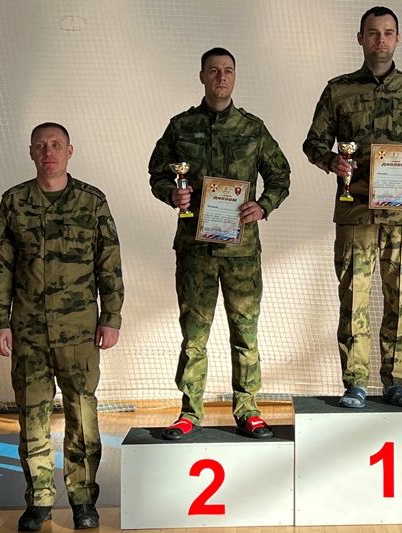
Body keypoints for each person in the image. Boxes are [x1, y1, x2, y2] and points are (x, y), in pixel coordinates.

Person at [302, 6, 402, 409]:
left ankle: (395, 382)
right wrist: (331, 160)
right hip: (355, 213)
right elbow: (313, 142)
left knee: (400, 299)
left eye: (387, 33)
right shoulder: (339, 90)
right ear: (360, 38)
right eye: (372, 33)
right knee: (353, 297)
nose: (380, 40)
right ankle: (354, 382)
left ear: (398, 38)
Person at [149, 47, 290, 440]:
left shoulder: (252, 129)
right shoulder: (181, 127)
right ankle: (189, 412)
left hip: (241, 253)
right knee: (194, 336)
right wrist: (171, 194)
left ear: (235, 76)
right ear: (202, 76)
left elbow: (280, 175)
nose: (221, 77)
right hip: (195, 251)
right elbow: (157, 173)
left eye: (228, 70)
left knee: (245, 333)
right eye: (213, 70)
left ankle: (248, 410)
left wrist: (263, 206)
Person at [0, 122, 123, 530]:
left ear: (70, 151)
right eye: (41, 146)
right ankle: (39, 502)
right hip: (28, 332)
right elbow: (0, 266)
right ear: (31, 152)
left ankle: (83, 501)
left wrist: (111, 317)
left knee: (83, 416)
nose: (49, 152)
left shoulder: (92, 201)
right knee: (32, 417)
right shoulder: (14, 202)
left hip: (79, 332)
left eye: (56, 145)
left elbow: (109, 263)